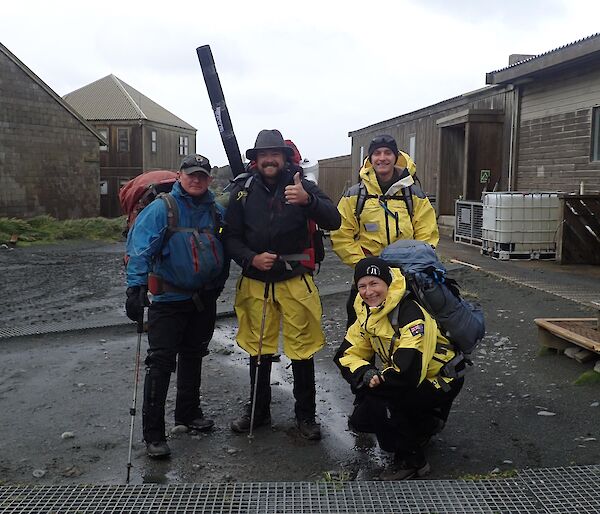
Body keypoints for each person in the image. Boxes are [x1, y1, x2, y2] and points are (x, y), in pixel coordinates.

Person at [224, 129, 341, 440]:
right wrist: (250, 258)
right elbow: (229, 236)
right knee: (257, 348)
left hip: (294, 280)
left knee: (302, 349)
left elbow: (334, 220)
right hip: (256, 281)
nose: (269, 159)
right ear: (256, 160)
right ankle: (259, 412)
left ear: (284, 157)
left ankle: (305, 417)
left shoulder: (305, 186)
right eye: (263, 155)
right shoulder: (241, 190)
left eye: (275, 154)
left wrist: (308, 201)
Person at [125, 154, 228, 458]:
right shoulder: (163, 208)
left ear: (209, 179)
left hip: (203, 298)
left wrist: (218, 282)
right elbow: (140, 247)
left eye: (202, 175)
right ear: (181, 176)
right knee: (161, 364)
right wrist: (135, 287)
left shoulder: (214, 210)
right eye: (191, 174)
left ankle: (188, 414)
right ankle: (154, 434)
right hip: (168, 300)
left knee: (194, 354)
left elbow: (226, 244)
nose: (196, 180)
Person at [334, 256, 464, 480]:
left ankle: (413, 461)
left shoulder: (410, 312)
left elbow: (408, 373)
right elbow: (347, 353)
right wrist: (365, 373)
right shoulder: (366, 311)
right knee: (360, 420)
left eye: (374, 283)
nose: (368, 292)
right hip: (407, 375)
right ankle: (426, 425)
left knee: (380, 402)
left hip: (441, 379)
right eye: (362, 286)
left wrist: (376, 383)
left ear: (387, 283)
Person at [330, 134, 439, 327]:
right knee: (359, 329)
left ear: (395, 157)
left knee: (409, 329)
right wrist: (363, 265)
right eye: (377, 153)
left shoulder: (413, 194)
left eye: (388, 153)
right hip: (368, 276)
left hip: (407, 276)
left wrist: (415, 265)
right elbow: (341, 234)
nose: (382, 158)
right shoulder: (356, 195)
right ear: (370, 159)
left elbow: (426, 234)